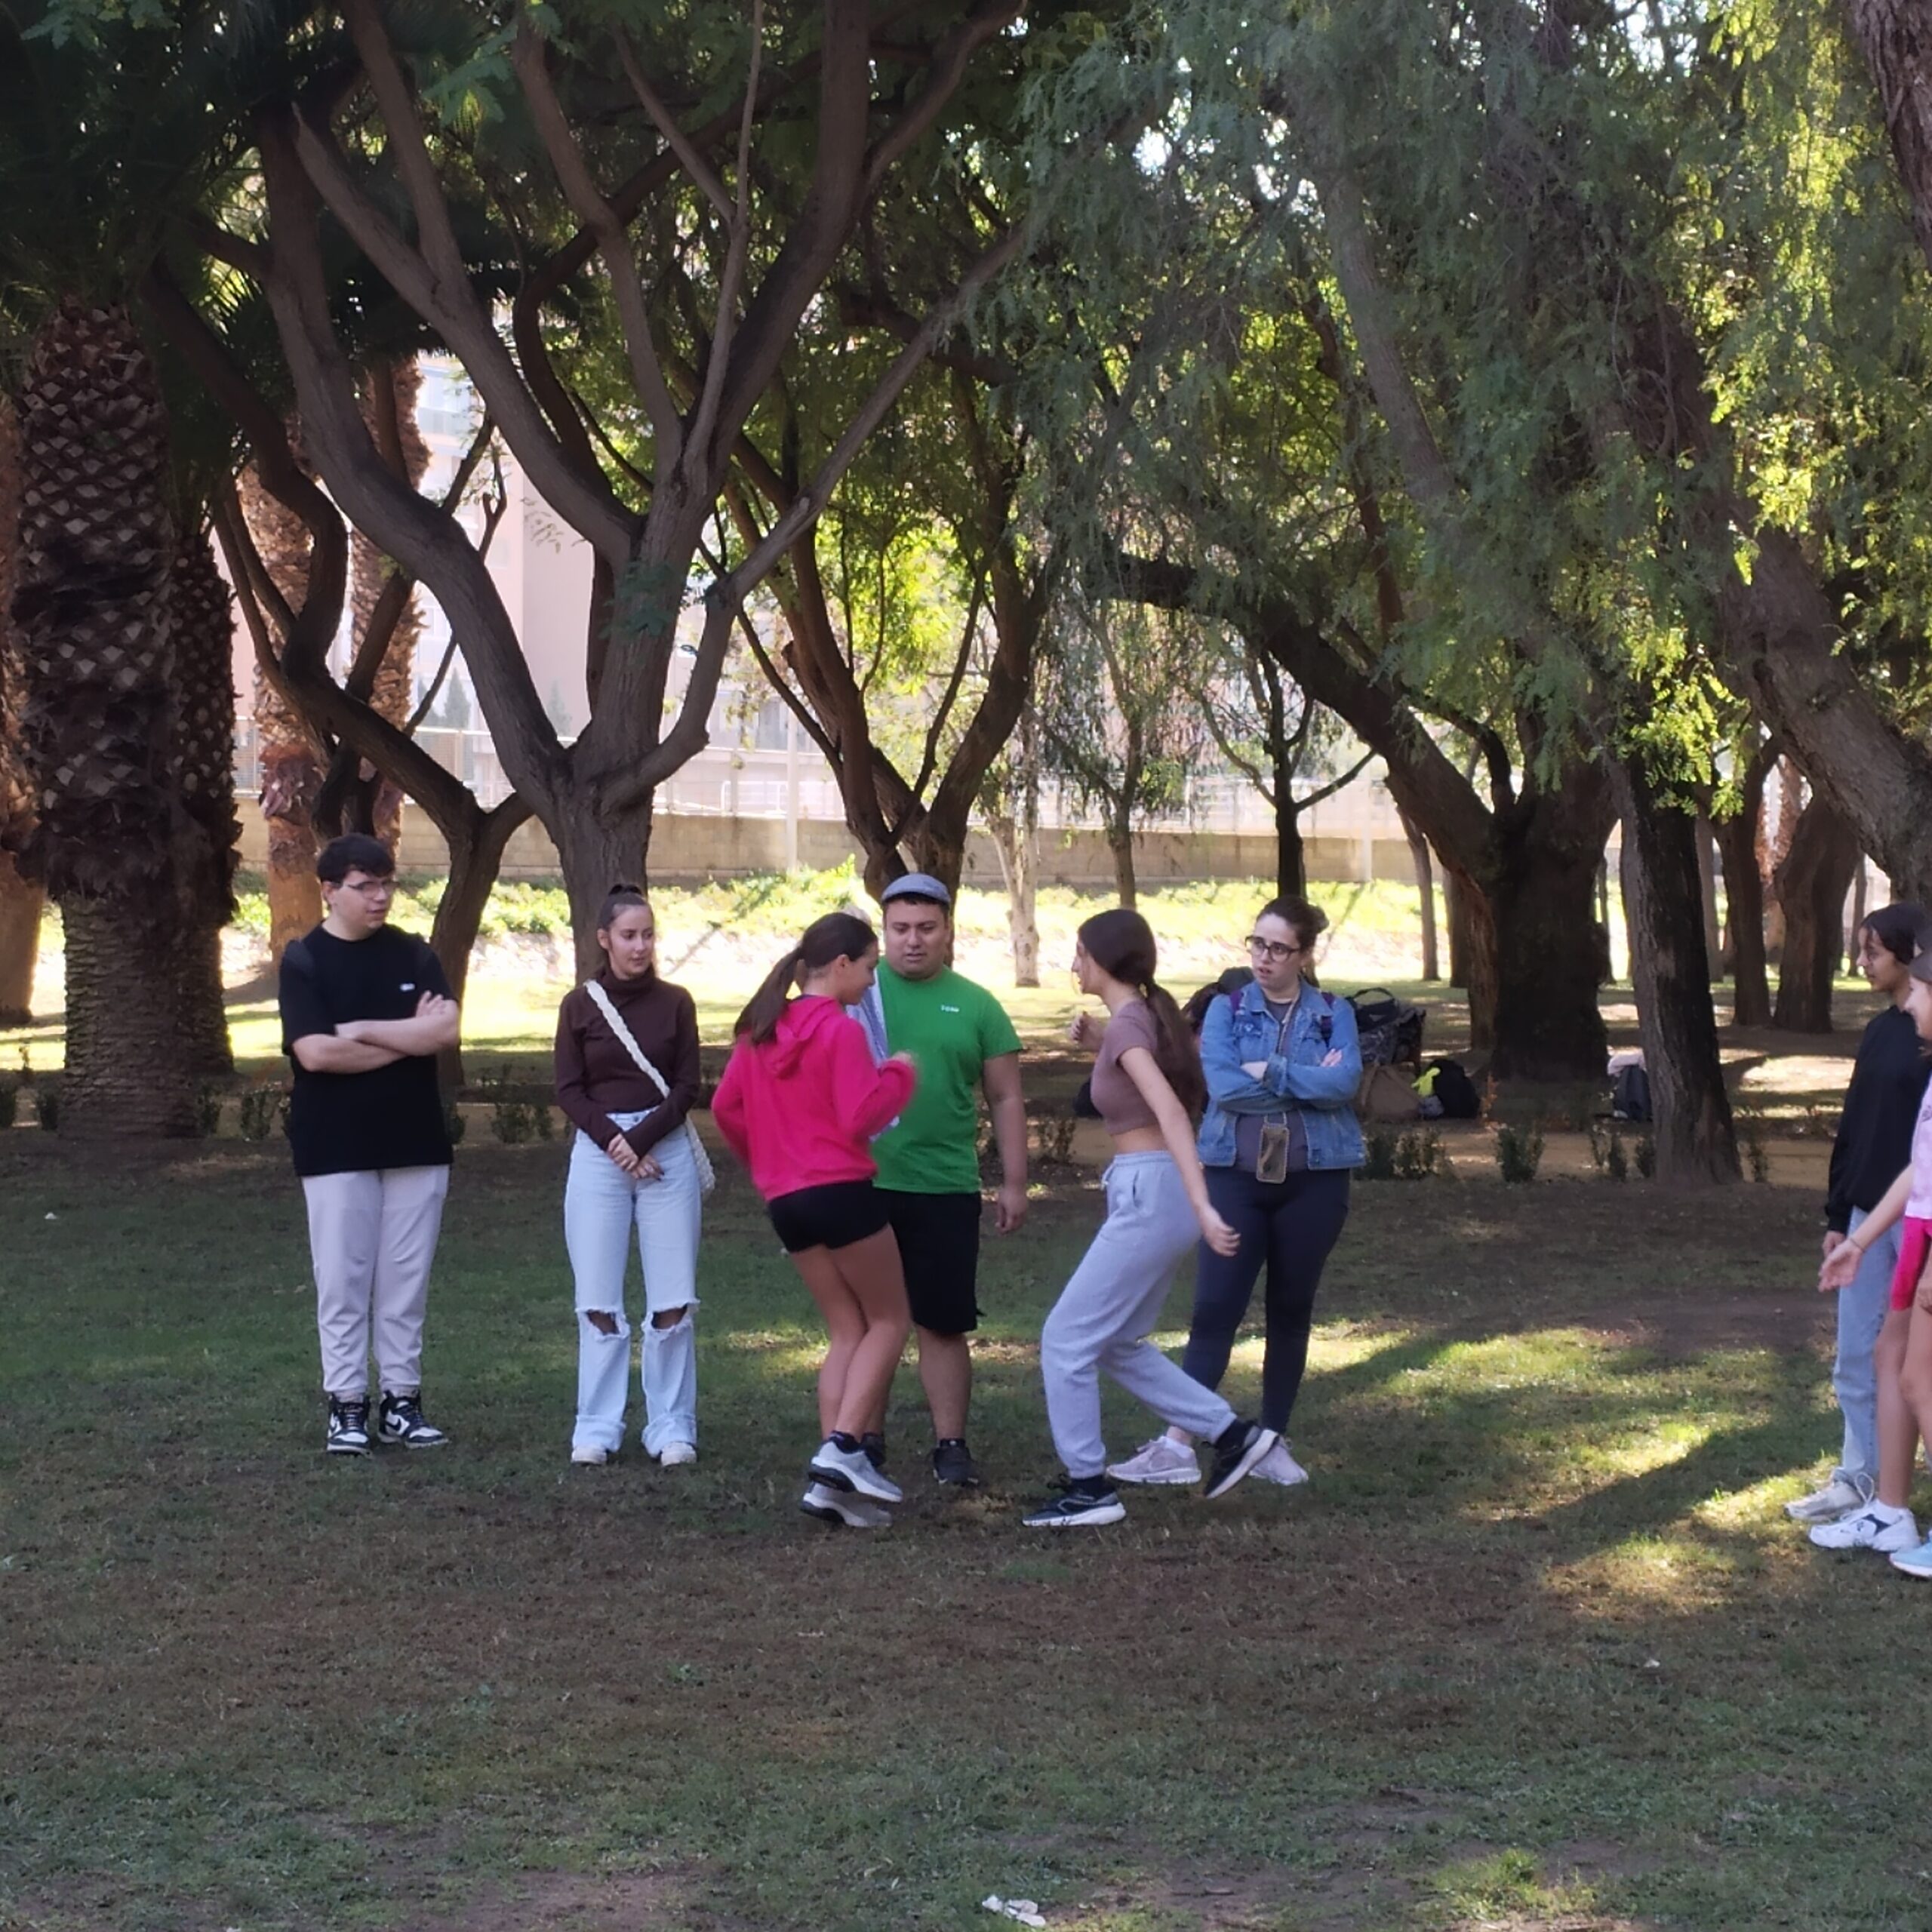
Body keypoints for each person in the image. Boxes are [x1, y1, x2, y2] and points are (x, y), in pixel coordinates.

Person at [1024, 908, 1277, 1528]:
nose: (1073, 964)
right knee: (1114, 1342)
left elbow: (1169, 1112)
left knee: (1065, 1339)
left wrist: (1201, 1204)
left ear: (1104, 960)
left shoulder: (1131, 1024)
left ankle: (1089, 1487)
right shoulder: (1136, 1020)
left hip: (1153, 1191)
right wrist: (1099, 1047)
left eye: (1080, 953)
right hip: (1150, 1190)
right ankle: (1234, 1436)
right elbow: (1146, 1088)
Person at [1108, 896, 1363, 1491]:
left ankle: (1272, 1439)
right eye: (1257, 944)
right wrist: (1309, 1081)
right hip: (1235, 1177)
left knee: (1291, 1310)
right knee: (1215, 1310)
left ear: (1305, 955)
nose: (1264, 958)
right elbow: (1223, 1087)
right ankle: (1177, 1444)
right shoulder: (1226, 1010)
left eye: (1279, 949)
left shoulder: (1334, 1013)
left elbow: (1346, 1083)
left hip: (1317, 1181)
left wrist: (1268, 1071)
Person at [711, 912, 918, 1530]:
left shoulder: (760, 1029)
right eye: (870, 967)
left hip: (787, 1202)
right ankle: (846, 1447)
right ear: (842, 965)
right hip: (840, 1190)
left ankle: (834, 1487)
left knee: (846, 1329)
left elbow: (726, 1107)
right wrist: (900, 1073)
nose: (873, 980)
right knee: (891, 1318)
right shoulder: (840, 1031)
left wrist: (767, 1164)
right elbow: (860, 1116)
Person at [279, 834, 462, 1455]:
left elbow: (445, 1030)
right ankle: (347, 1405)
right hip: (335, 1145)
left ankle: (401, 1403)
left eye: (387, 884)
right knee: (343, 1279)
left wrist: (359, 1030)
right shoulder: (304, 959)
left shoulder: (414, 953)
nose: (380, 897)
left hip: (415, 1140)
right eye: (365, 886)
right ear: (330, 891)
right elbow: (315, 1053)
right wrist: (406, 1039)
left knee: (406, 1281)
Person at [848, 872, 1026, 1487]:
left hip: (946, 1188)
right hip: (863, 1185)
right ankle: (862, 1440)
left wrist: (1014, 1181)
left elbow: (1005, 1097)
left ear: (948, 931)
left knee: (943, 1323)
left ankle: (951, 1445)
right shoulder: (857, 995)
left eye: (926, 928)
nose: (913, 940)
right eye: (900, 929)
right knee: (869, 1322)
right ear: (883, 932)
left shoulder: (978, 1005)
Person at [1788, 903, 1929, 1526]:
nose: (1863, 963)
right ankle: (1863, 1483)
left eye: (1874, 951)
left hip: (1920, 1225)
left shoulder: (1927, 1038)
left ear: (1910, 954)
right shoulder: (1880, 1032)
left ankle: (1894, 1499)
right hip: (1871, 1215)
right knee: (1860, 1356)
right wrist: (1842, 1218)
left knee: (1915, 1369)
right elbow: (1857, 1131)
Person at [554, 886, 704, 1469]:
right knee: (597, 1300)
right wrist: (617, 1145)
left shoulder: (676, 1003)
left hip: (664, 1148)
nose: (640, 946)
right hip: (600, 1153)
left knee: (673, 1299)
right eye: (628, 936)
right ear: (604, 940)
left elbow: (688, 1086)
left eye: (647, 935)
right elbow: (569, 1090)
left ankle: (672, 1426)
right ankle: (597, 1426)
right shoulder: (579, 1006)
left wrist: (639, 1141)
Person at [1818, 938, 1932, 1569]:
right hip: (1916, 1231)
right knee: (1891, 1358)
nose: (1909, 1004)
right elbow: (1919, 1169)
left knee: (1920, 1378)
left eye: (1921, 993)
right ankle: (1890, 1511)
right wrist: (1858, 1240)